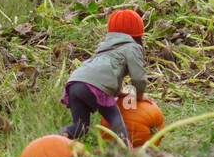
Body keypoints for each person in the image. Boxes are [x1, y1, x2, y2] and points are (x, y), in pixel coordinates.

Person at [59, 9, 148, 143]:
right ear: (138, 34)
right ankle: (126, 150)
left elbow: (103, 73)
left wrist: (120, 93)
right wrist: (139, 95)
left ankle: (53, 140)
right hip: (94, 86)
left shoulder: (104, 46)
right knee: (115, 119)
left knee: (79, 127)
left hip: (75, 82)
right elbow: (138, 78)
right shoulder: (132, 47)